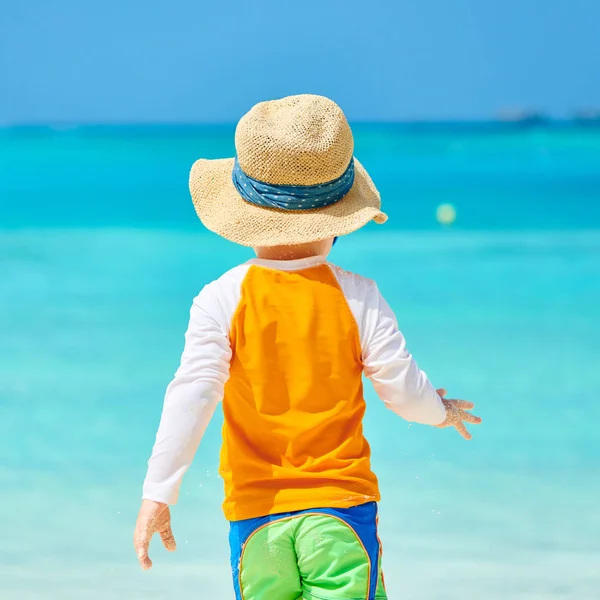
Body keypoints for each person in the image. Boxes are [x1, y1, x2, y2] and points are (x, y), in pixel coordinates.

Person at [133, 94, 481, 600]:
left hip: (257, 523)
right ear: (338, 220)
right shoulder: (358, 295)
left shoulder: (220, 299)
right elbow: (402, 392)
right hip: (339, 514)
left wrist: (158, 494)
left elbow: (193, 395)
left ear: (245, 214)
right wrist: (440, 411)